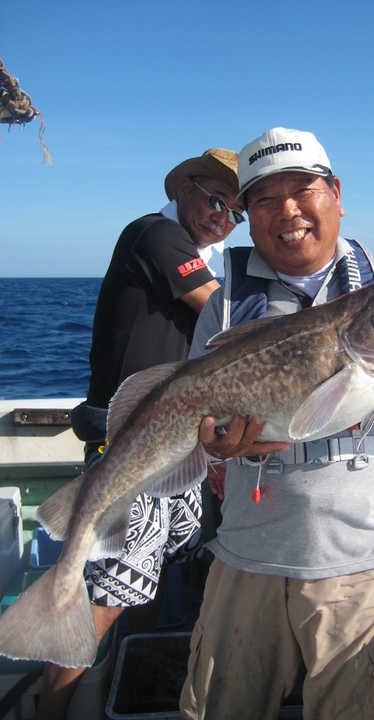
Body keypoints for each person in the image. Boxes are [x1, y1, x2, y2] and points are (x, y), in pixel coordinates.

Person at [179, 128, 374, 720]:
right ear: (248, 216)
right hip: (245, 555)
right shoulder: (226, 303)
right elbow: (201, 431)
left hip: (358, 565)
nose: (287, 211)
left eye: (303, 190)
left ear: (336, 194)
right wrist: (217, 447)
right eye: (265, 198)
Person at [35, 147, 245, 720]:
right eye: (216, 201)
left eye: (235, 213)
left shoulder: (193, 252)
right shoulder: (155, 234)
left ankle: (135, 671)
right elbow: (224, 317)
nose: (223, 218)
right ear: (183, 188)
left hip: (173, 444)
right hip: (130, 447)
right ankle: (49, 711)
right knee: (107, 593)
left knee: (151, 575)